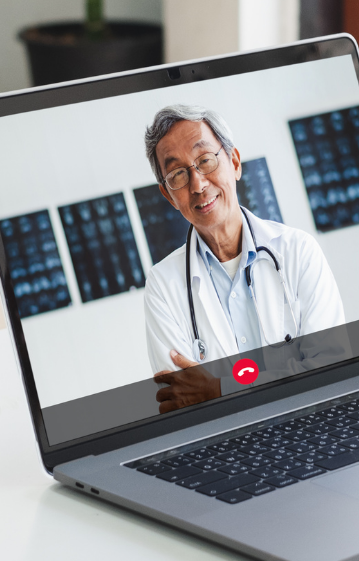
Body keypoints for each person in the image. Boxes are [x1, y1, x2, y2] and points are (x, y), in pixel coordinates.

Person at [142, 105, 345, 413]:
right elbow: (183, 407)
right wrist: (286, 374)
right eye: (178, 175)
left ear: (234, 162)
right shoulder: (163, 286)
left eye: (205, 161)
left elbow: (330, 372)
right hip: (226, 452)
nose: (197, 185)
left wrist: (220, 388)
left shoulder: (298, 251)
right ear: (169, 196)